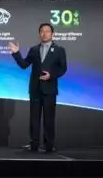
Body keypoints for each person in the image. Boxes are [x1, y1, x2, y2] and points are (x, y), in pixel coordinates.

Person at [8, 23, 67, 152]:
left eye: (47, 31)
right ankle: (34, 144)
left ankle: (48, 145)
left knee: (49, 119)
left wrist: (51, 75)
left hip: (49, 90)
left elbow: (63, 69)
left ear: (52, 34)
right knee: (34, 118)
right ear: (39, 33)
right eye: (42, 31)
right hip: (35, 89)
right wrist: (16, 53)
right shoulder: (34, 50)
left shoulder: (59, 50)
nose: (44, 33)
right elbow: (24, 64)